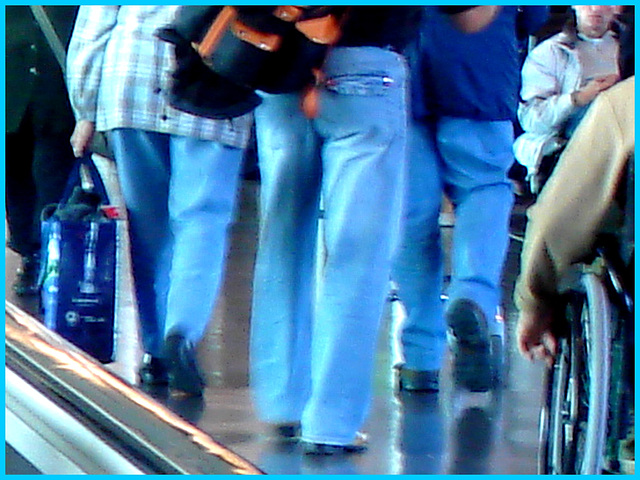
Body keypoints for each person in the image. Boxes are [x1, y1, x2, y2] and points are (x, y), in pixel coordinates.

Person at [249, 6, 501, 455]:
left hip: (282, 62)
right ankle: (330, 423)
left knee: (283, 237)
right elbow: (468, 16)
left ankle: (283, 403)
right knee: (357, 253)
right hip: (366, 68)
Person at [66, 6, 254, 396]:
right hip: (215, 72)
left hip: (130, 79)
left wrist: (85, 108)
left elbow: (93, 29)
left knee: (147, 226)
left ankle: (155, 350)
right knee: (203, 217)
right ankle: (182, 331)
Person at [391, 6, 548, 393]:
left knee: (412, 215)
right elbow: (535, 14)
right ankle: (473, 296)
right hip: (481, 66)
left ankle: (420, 360)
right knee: (484, 190)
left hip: (404, 66)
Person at [515, 19, 634, 367]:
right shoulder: (550, 54)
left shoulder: (624, 105)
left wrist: (535, 301)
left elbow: (558, 222)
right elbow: (535, 117)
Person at [5, 6, 78, 296]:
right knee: (14, 170)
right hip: (10, 75)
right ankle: (29, 252)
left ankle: (51, 253)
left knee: (51, 172)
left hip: (57, 75)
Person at [513, 5, 621, 190]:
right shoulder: (550, 53)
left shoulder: (628, 50)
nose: (595, 8)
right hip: (569, 142)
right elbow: (531, 119)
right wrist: (577, 98)